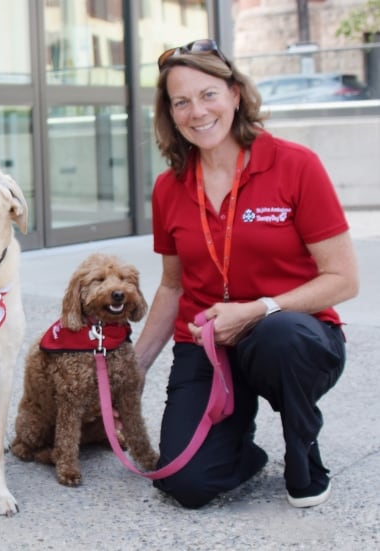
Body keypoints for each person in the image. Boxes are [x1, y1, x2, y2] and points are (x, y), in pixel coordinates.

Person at [133, 39, 359, 509]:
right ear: (170, 114)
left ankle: (302, 446)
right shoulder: (168, 188)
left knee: (279, 336)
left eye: (208, 94)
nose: (197, 111)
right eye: (181, 101)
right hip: (207, 345)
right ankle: (239, 446)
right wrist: (131, 371)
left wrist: (260, 309)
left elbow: (343, 278)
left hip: (292, 336)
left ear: (235, 94)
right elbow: (173, 285)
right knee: (185, 484)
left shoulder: (295, 165)